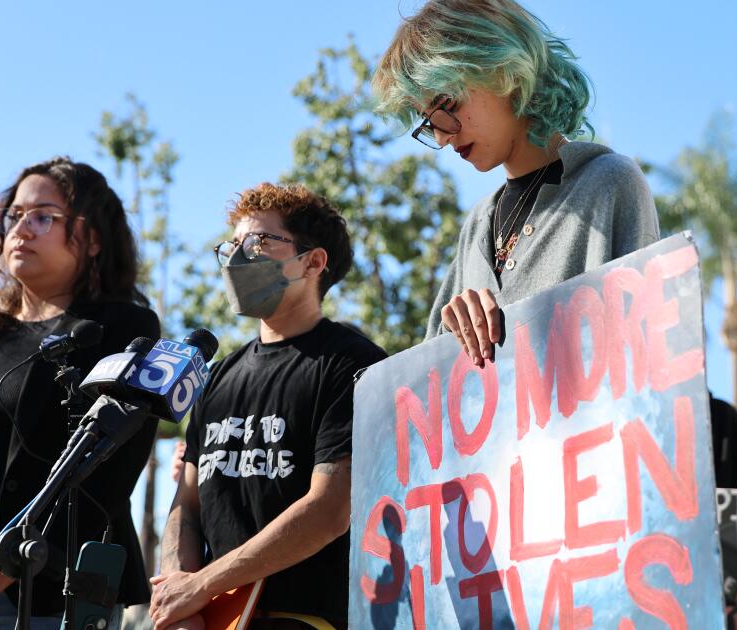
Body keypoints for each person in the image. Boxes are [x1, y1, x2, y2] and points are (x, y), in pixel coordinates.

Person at [0, 157, 160, 628]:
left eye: (44, 217)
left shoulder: (122, 329)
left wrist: (11, 565)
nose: (22, 229)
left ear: (93, 238)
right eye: (14, 216)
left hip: (54, 580)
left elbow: (110, 469)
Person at [150, 183, 386, 630]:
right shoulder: (215, 377)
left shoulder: (353, 365)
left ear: (313, 262)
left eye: (259, 243)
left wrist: (203, 586)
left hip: (304, 618)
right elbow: (187, 503)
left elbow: (329, 511)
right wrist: (178, 594)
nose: (239, 258)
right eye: (233, 245)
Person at [372, 0, 660, 361]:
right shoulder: (477, 226)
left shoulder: (609, 183)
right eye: (428, 121)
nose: (443, 136)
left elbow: (644, 362)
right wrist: (452, 331)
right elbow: (433, 393)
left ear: (505, 71)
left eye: (447, 104)